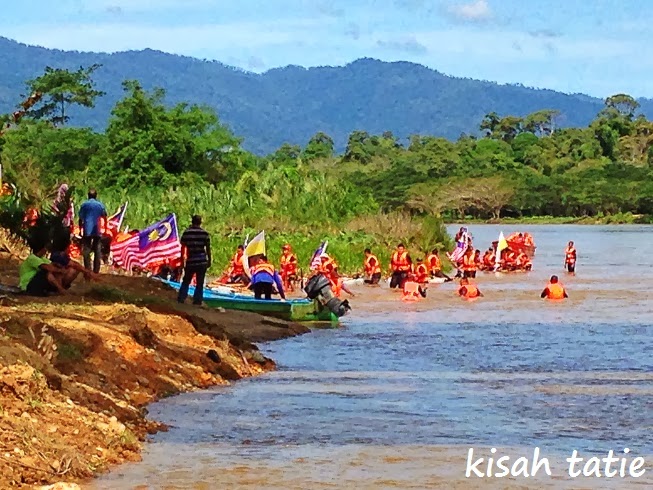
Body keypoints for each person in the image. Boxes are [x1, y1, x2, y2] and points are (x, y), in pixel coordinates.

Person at [178, 215, 211, 306]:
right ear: (200, 222)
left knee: (186, 281)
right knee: (200, 282)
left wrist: (182, 262)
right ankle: (197, 301)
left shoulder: (186, 233)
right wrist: (209, 260)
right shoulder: (204, 233)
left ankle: (181, 298)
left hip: (191, 260)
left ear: (192, 222)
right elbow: (208, 248)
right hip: (202, 260)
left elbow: (182, 249)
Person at [78, 189, 107, 274]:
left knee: (86, 250)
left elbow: (80, 219)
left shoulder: (84, 205)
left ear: (88, 196)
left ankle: (88, 269)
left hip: (87, 230)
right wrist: (105, 229)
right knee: (97, 250)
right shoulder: (100, 205)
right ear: (96, 196)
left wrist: (80, 230)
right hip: (97, 230)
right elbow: (104, 216)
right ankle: (96, 271)